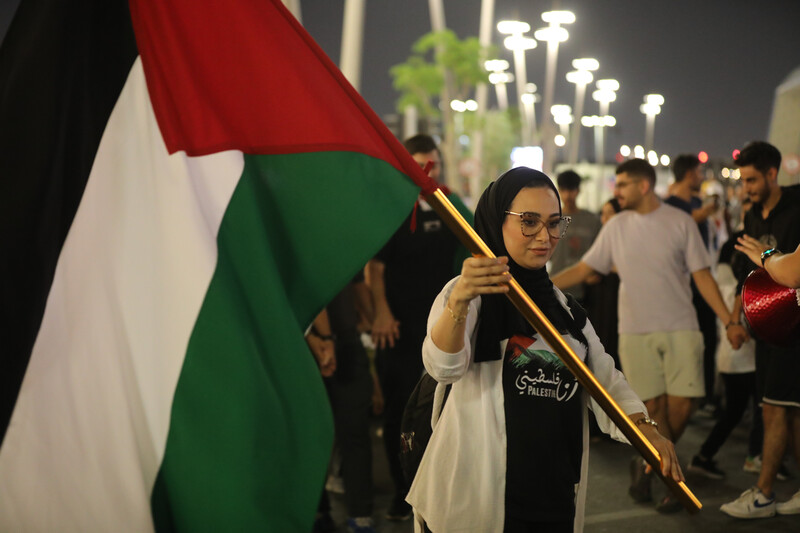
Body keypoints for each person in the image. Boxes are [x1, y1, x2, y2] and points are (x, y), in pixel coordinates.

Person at [406, 167, 682, 533]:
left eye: (554, 223)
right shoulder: (467, 294)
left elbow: (606, 381)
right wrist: (460, 300)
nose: (544, 237)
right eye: (529, 222)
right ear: (496, 220)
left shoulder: (565, 311)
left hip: (554, 496)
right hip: (475, 499)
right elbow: (443, 367)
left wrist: (643, 427)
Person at [551, 158, 746, 513]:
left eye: (622, 184)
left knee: (684, 406)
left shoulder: (680, 222)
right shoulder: (617, 226)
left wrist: (729, 322)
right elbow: (585, 267)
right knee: (652, 410)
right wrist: (540, 286)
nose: (616, 191)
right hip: (635, 330)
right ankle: (669, 480)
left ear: (643, 186)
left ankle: (647, 463)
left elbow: (703, 275)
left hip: (682, 325)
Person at [367, 134, 466, 521]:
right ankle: (403, 493)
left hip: (444, 329)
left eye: (433, 165)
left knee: (443, 413)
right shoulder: (391, 207)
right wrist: (380, 312)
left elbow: (480, 243)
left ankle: (438, 493)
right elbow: (375, 267)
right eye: (419, 164)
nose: (428, 171)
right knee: (399, 414)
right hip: (400, 331)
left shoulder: (450, 205)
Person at [721, 141, 800, 519]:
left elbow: (790, 271)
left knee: (773, 409)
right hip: (766, 328)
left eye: (752, 179)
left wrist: (768, 257)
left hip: (794, 328)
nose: (746, 187)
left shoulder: (797, 206)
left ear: (772, 173)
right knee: (788, 409)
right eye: (743, 180)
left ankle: (764, 492)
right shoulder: (753, 216)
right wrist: (736, 320)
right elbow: (747, 276)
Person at [308, 275, 378, 533]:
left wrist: (373, 318)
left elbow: (357, 281)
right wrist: (322, 337)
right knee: (312, 435)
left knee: (355, 432)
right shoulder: (298, 239)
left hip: (346, 341)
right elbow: (307, 287)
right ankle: (316, 511)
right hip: (308, 342)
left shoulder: (336, 237)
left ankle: (360, 515)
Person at [665, 155, 720, 414]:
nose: (701, 176)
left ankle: (705, 394)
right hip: (682, 285)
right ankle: (684, 394)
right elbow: (682, 224)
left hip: (704, 279)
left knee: (709, 337)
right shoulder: (671, 206)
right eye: (698, 172)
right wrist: (704, 212)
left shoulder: (698, 203)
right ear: (689, 174)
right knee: (685, 340)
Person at [547, 170, 601, 303]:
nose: (568, 195)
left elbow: (600, 253)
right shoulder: (552, 220)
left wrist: (595, 273)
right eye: (564, 190)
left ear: (578, 190)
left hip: (585, 291)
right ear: (558, 190)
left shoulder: (592, 220)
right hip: (556, 289)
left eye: (571, 190)